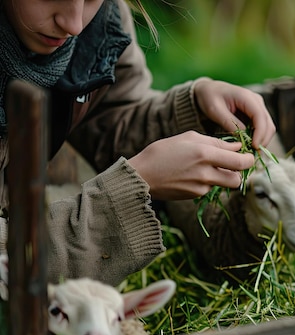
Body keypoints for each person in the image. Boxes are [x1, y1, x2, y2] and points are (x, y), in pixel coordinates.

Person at [0, 0, 277, 286]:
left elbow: (108, 114)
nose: (74, 25)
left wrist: (189, 109)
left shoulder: (104, 19)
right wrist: (127, 192)